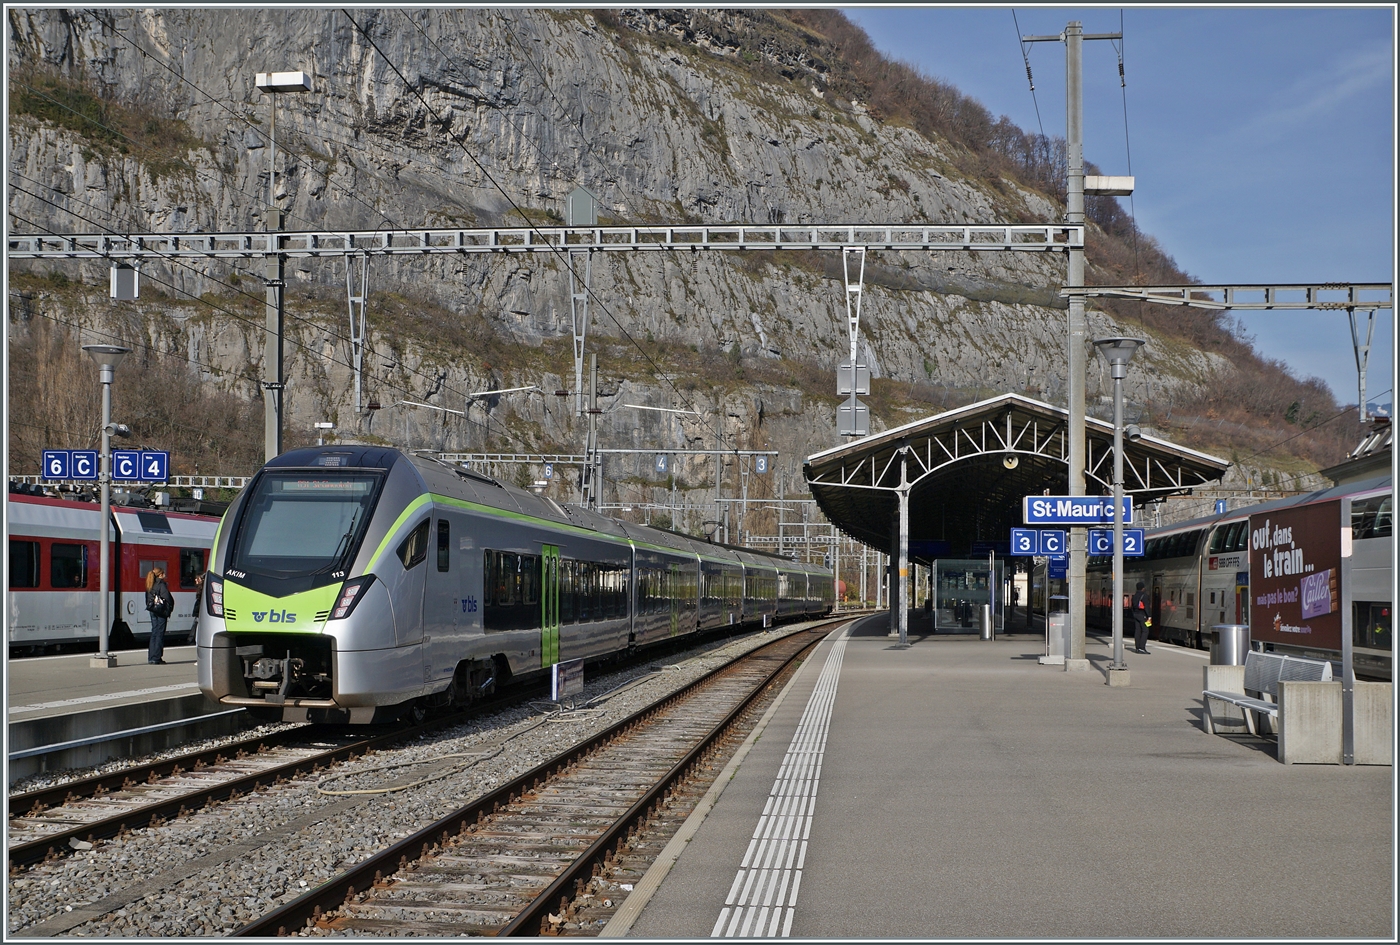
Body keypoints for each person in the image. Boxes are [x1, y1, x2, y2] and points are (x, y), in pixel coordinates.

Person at [145, 566, 174, 665]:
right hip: (161, 611)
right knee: (160, 634)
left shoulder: (150, 584)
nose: (165, 575)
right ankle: (157, 657)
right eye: (164, 573)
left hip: (152, 610)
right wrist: (169, 608)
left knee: (154, 632)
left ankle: (151, 657)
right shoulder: (161, 584)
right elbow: (167, 597)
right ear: (160, 574)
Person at [1130, 581, 1150, 653]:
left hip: (1136, 614)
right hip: (1142, 615)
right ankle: (1142, 647)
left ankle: (1137, 647)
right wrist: (1149, 616)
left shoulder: (1134, 596)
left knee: (1137, 630)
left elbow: (1132, 606)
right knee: (1145, 630)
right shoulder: (1144, 596)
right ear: (1143, 588)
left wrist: (1134, 613)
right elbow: (1146, 607)